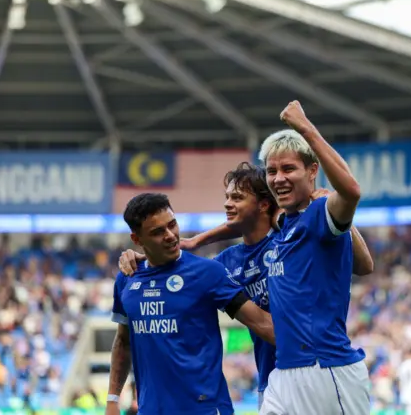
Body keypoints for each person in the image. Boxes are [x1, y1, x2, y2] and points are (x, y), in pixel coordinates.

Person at [118, 162, 374, 409]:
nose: (228, 204)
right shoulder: (225, 264)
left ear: (265, 205)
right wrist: (145, 259)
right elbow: (185, 274)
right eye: (228, 197)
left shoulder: (293, 240)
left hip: (317, 367)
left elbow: (364, 266)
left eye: (237, 197)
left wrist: (335, 216)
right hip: (270, 378)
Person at [106, 193, 275, 415]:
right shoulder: (127, 278)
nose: (170, 235)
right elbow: (123, 342)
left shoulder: (207, 272)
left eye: (172, 225)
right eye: (157, 232)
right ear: (137, 239)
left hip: (206, 409)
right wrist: (112, 400)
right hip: (151, 410)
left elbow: (261, 322)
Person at [255, 100, 370, 415]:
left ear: (313, 170)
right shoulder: (285, 228)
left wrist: (304, 127)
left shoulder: (320, 212)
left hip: (326, 369)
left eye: (289, 168)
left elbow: (351, 191)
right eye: (272, 171)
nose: (278, 178)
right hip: (284, 371)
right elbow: (364, 265)